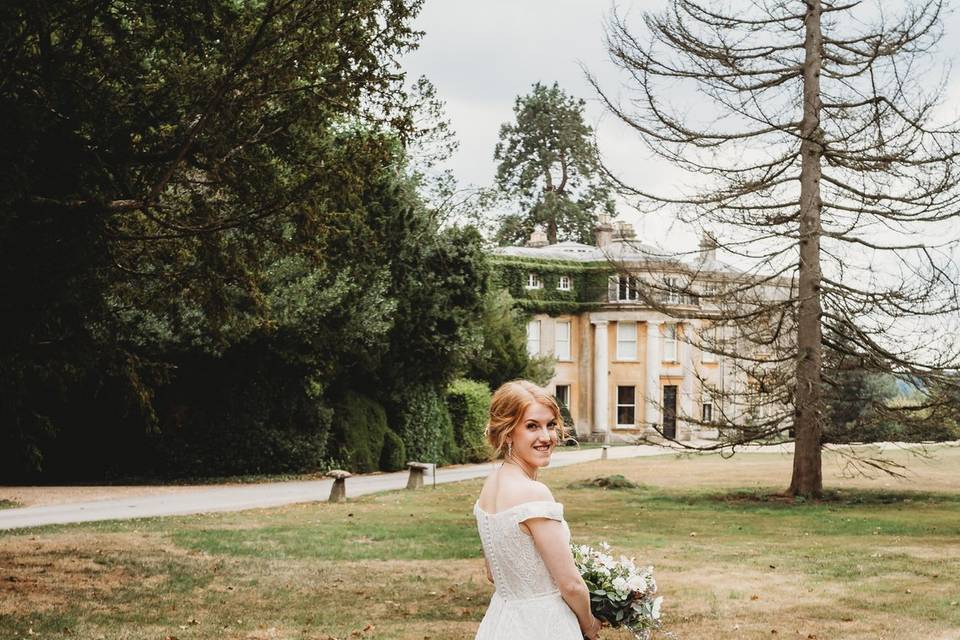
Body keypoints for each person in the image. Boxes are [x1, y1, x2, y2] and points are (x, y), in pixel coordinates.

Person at [474, 380, 601, 640]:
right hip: (544, 625)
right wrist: (589, 624)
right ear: (508, 432)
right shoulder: (533, 493)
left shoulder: (490, 485)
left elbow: (492, 572)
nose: (546, 437)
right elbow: (571, 584)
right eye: (532, 426)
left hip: (501, 622)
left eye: (550, 425)